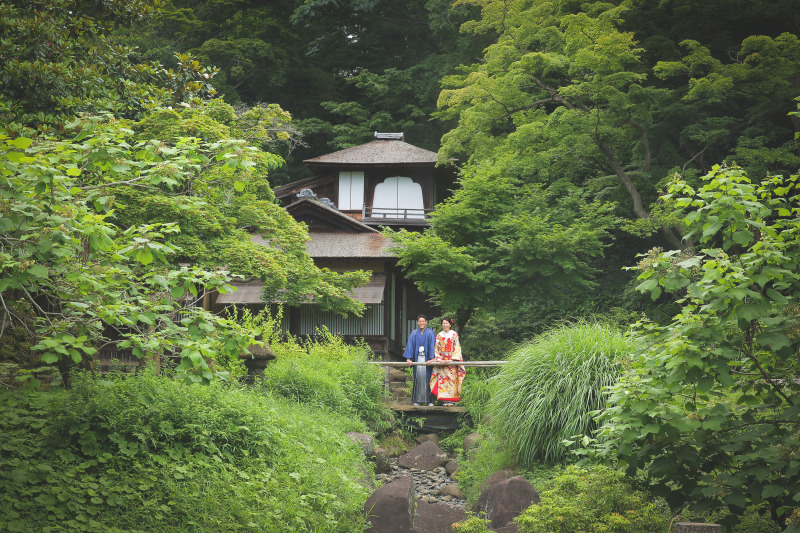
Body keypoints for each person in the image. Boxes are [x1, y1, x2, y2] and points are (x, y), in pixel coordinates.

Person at [429, 317, 465, 406]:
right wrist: (439, 359)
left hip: (451, 361)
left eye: (446, 323)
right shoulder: (439, 335)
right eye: (443, 323)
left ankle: (451, 400)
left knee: (452, 381)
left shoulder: (454, 334)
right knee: (442, 381)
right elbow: (436, 348)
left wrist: (451, 359)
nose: (445, 325)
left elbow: (457, 347)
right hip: (441, 362)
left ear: (450, 324)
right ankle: (444, 400)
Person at [403, 314, 436, 406]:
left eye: (423, 321)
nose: (421, 323)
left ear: (426, 322)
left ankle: (430, 401)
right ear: (417, 323)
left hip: (427, 359)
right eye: (420, 321)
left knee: (428, 378)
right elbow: (410, 345)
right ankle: (417, 400)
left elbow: (432, 346)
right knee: (418, 378)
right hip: (417, 359)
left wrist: (432, 358)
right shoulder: (414, 333)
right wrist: (409, 358)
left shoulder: (430, 333)